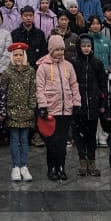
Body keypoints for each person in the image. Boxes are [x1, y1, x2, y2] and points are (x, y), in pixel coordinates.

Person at [35, 33, 80, 182]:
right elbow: (40, 88)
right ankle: (52, 167)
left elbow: (74, 85)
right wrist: (42, 105)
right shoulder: (43, 67)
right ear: (51, 50)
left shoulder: (68, 66)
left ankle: (61, 166)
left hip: (65, 109)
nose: (60, 53)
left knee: (62, 142)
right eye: (57, 50)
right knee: (52, 142)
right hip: (51, 110)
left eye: (62, 50)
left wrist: (76, 103)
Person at [72, 33, 107, 177]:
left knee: (91, 135)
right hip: (79, 103)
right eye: (83, 46)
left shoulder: (97, 63)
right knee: (79, 135)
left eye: (88, 46)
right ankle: (82, 160)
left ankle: (92, 160)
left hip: (93, 103)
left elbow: (103, 84)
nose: (86, 49)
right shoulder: (74, 62)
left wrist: (102, 102)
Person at [0, 42, 36, 181]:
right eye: (15, 55)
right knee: (15, 139)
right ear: (12, 56)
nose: (18, 57)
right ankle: (15, 166)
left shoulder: (30, 71)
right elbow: (3, 91)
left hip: (26, 110)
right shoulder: (7, 72)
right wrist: (5, 107)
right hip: (12, 110)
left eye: (20, 55)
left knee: (24, 140)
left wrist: (32, 105)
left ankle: (24, 166)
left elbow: (33, 90)